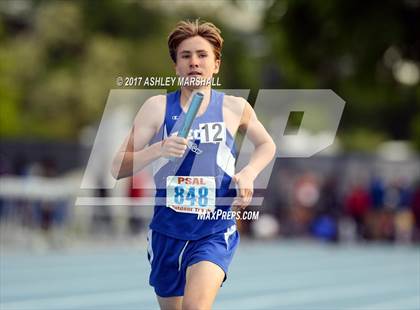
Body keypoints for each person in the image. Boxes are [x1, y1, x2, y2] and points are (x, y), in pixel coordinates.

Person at [112, 19, 276, 310]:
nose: (194, 62)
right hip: (167, 231)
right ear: (176, 66)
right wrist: (158, 149)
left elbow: (267, 145)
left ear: (216, 65)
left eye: (202, 55)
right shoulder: (157, 108)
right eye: (185, 56)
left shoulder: (234, 107)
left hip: (214, 228)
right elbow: (118, 167)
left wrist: (249, 172)